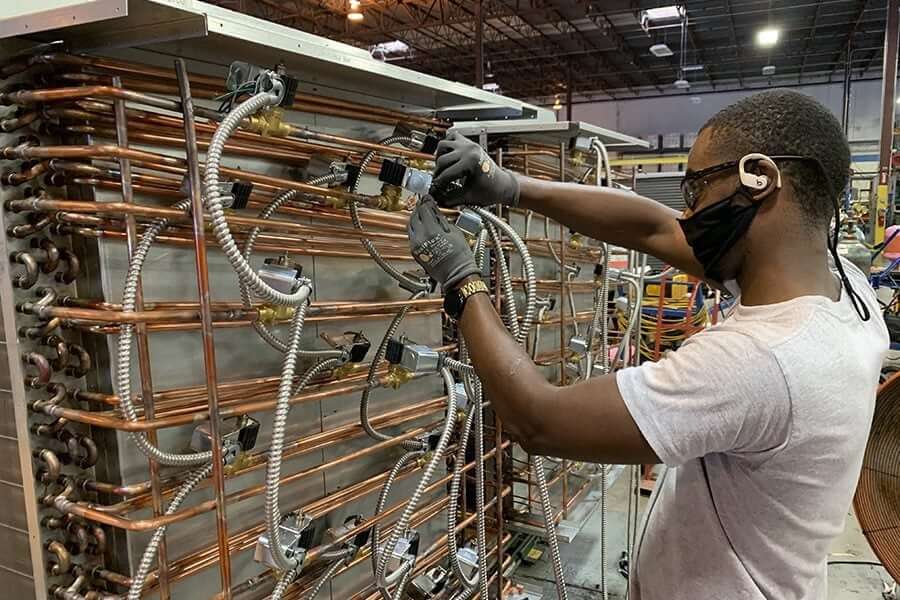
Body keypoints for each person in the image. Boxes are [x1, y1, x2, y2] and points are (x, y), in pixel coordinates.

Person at [406, 89, 890, 600]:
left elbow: (539, 421)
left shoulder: (762, 360)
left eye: (697, 189)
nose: (689, 212)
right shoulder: (845, 287)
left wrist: (462, 280)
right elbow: (655, 228)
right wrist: (508, 186)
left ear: (759, 179)